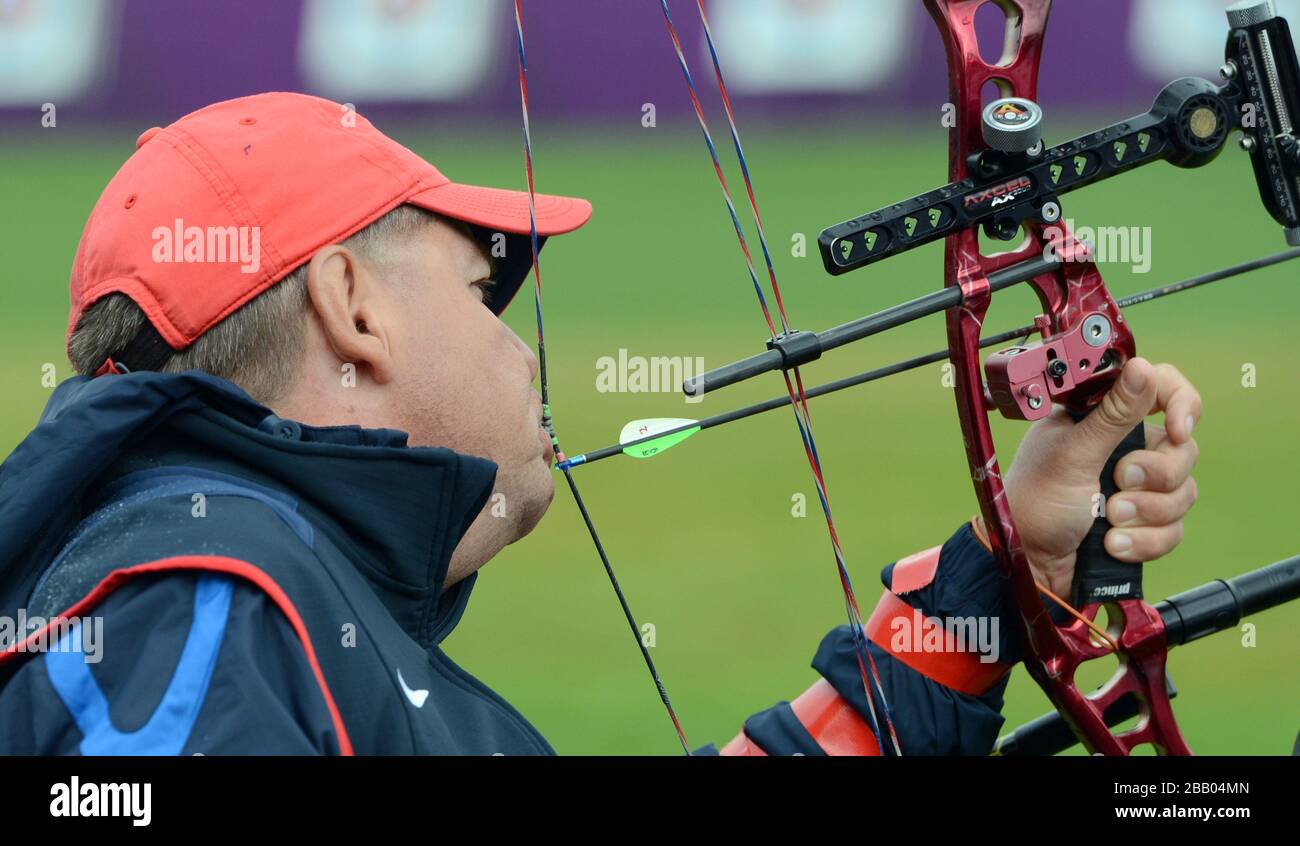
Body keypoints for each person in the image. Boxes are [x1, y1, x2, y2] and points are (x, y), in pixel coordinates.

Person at [0, 93, 1201, 755]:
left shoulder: (261, 601)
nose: (521, 347)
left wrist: (1002, 574)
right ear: (349, 305)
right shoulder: (203, 615)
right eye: (482, 289)